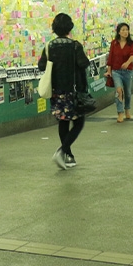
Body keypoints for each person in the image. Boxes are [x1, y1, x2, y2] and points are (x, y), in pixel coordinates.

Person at [38, 13, 91, 169]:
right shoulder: (75, 46)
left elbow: (41, 66)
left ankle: (68, 154)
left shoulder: (49, 46)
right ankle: (62, 151)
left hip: (56, 92)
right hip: (73, 91)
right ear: (70, 27)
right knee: (79, 123)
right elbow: (84, 63)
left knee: (63, 121)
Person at [106, 22, 133, 123]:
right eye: (123, 30)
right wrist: (109, 71)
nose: (125, 32)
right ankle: (120, 112)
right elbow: (110, 58)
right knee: (119, 91)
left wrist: (127, 63)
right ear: (119, 32)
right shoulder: (114, 43)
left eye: (126, 30)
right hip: (116, 71)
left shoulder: (131, 44)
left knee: (127, 92)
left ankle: (127, 109)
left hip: (128, 71)